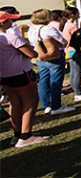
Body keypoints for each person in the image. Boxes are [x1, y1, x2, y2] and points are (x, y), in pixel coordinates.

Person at [0, 10, 49, 148]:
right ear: (3, 23)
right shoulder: (10, 37)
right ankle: (26, 135)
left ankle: (17, 134)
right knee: (31, 101)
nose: (12, 22)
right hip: (21, 72)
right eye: (10, 20)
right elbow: (32, 53)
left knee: (15, 103)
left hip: (4, 74)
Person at [27, 9, 75, 115]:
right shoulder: (48, 29)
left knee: (43, 80)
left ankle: (46, 104)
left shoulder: (31, 28)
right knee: (56, 81)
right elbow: (63, 41)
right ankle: (56, 106)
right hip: (54, 57)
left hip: (40, 56)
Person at [62, 7, 81, 102]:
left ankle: (76, 91)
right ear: (72, 15)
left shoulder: (66, 24)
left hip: (68, 50)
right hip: (74, 50)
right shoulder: (72, 26)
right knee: (77, 72)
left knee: (73, 72)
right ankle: (78, 93)